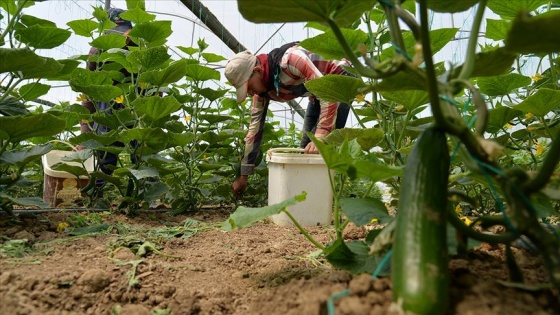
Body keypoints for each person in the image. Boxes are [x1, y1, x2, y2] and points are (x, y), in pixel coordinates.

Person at [224, 42, 354, 197]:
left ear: (257, 70)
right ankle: (308, 202)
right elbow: (254, 130)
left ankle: (320, 202)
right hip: (318, 92)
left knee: (321, 147)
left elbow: (328, 91)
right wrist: (243, 175)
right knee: (305, 149)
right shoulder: (263, 92)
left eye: (249, 87)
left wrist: (322, 134)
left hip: (340, 77)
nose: (251, 93)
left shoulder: (291, 59)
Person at [79, 8, 137, 196]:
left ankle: (145, 194)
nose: (121, 41)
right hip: (108, 107)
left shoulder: (141, 51)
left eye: (124, 36)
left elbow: (156, 91)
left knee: (144, 153)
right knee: (105, 156)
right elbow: (87, 96)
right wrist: (85, 134)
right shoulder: (96, 53)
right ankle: (95, 195)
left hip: (137, 106)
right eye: (115, 37)